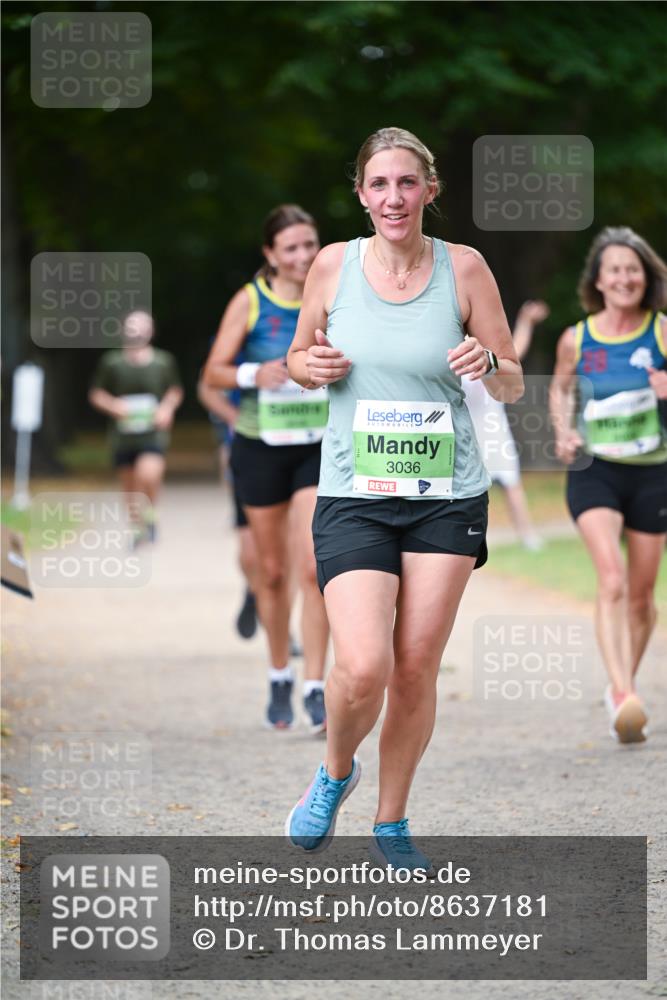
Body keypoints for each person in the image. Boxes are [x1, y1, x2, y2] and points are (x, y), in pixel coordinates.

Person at [284, 127, 523, 869]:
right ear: (361, 193)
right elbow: (295, 358)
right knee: (362, 666)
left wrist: (487, 360)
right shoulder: (331, 266)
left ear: (429, 190)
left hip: (445, 496)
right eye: (379, 184)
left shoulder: (466, 269)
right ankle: (333, 773)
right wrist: (309, 365)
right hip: (355, 492)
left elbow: (512, 378)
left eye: (406, 183)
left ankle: (391, 821)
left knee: (415, 667)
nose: (393, 197)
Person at [202, 205, 329, 732]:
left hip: (318, 447)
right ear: (270, 254)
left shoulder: (335, 295)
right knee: (272, 573)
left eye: (309, 244)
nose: (302, 256)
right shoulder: (250, 301)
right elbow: (212, 373)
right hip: (260, 447)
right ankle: (279, 671)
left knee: (314, 569)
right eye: (291, 248)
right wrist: (260, 373)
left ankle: (316, 685)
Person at [550, 226, 667, 744]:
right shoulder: (577, 338)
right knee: (613, 579)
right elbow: (559, 388)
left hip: (654, 471)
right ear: (598, 279)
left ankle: (623, 686)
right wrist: (563, 430)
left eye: (633, 269)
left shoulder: (662, 331)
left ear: (646, 278)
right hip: (595, 469)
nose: (624, 277)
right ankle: (622, 692)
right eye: (615, 269)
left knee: (642, 599)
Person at [89, 310, 183, 545]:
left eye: (142, 325)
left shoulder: (163, 361)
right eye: (132, 325)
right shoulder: (112, 362)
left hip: (153, 433)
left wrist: (167, 409)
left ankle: (151, 513)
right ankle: (137, 528)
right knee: (130, 485)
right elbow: (97, 393)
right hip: (123, 435)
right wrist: (114, 406)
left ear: (151, 331)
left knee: (148, 474)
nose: (137, 330)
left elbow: (175, 390)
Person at [463, 299, 549, 550]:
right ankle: (473, 536)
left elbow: (516, 350)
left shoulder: (486, 356)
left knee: (511, 484)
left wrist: (526, 321)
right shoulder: (452, 359)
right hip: (466, 433)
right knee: (470, 489)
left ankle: (527, 535)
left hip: (493, 429)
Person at [197, 365, 259, 639]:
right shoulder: (241, 328)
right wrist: (234, 418)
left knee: (291, 552)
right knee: (250, 553)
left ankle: (281, 629)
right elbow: (207, 385)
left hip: (303, 455)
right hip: (248, 449)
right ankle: (253, 590)